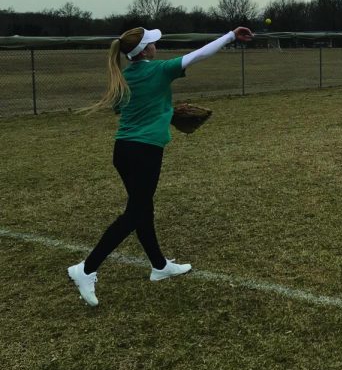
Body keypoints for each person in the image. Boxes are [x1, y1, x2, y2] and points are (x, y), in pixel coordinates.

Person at [68, 25, 253, 307]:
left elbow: (132, 110)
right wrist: (230, 36)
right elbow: (198, 55)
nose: (156, 45)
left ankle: (159, 266)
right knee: (135, 213)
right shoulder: (160, 70)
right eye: (152, 43)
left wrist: (165, 112)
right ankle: (86, 269)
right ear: (145, 51)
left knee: (143, 210)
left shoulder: (124, 77)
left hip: (124, 151)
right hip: (145, 153)